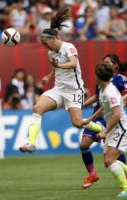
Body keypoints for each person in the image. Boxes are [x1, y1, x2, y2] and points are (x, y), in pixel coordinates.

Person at [19, 7, 103, 153]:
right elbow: (57, 68)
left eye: (45, 43)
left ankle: (101, 128)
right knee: (37, 108)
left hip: (74, 90)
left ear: (53, 38)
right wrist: (48, 76)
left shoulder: (69, 47)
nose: (44, 46)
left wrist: (59, 65)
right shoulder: (50, 53)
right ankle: (31, 143)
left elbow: (73, 63)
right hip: (59, 89)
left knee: (77, 123)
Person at [84, 62, 127, 198]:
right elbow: (103, 108)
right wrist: (90, 119)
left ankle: (126, 189)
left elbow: (117, 114)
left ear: (98, 76)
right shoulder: (103, 89)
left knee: (109, 161)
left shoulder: (110, 92)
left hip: (121, 128)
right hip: (114, 128)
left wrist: (104, 131)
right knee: (108, 161)